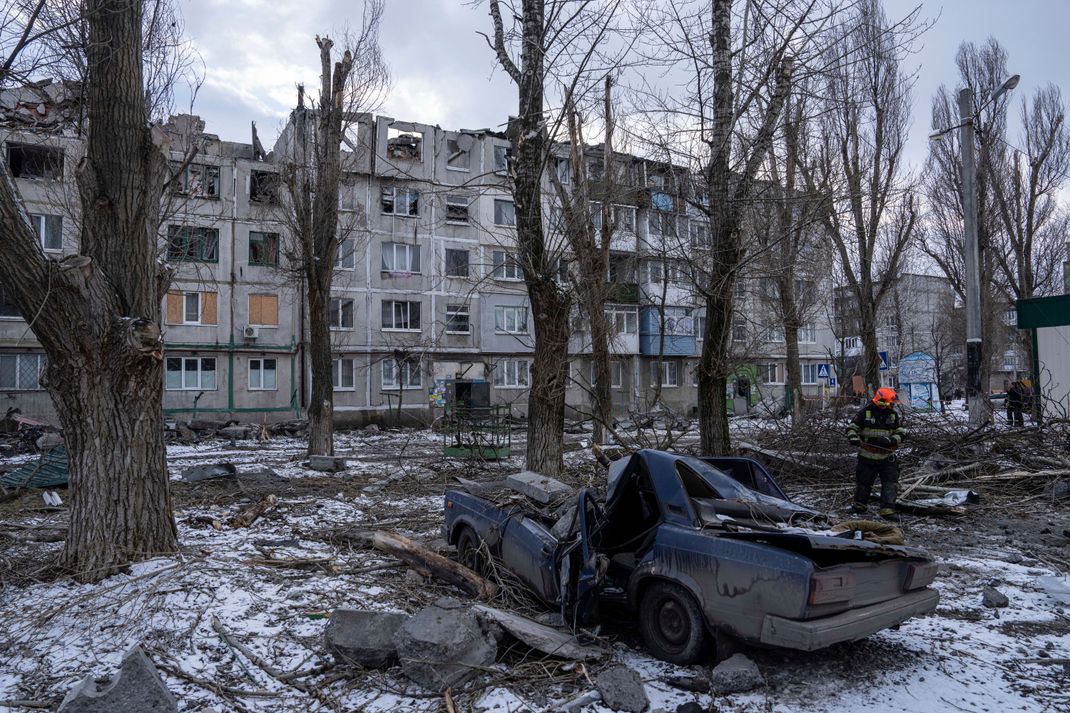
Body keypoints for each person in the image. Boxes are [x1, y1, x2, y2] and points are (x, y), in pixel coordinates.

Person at [846, 387, 906, 520]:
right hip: (867, 456)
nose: (892, 405)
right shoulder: (865, 413)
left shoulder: (892, 415)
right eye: (891, 403)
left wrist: (892, 440)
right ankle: (859, 505)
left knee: (890, 482)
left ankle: (887, 510)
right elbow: (852, 428)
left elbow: (901, 431)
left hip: (887, 457)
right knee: (863, 482)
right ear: (883, 402)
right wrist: (853, 438)